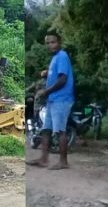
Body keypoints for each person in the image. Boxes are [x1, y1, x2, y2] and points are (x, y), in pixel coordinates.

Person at [26, 33, 75, 170]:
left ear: (59, 42)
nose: (50, 45)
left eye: (53, 42)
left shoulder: (63, 56)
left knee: (60, 130)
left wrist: (46, 91)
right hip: (52, 100)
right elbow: (56, 74)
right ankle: (43, 159)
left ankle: (63, 162)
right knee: (46, 130)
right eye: (47, 43)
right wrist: (48, 73)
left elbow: (62, 79)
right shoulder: (55, 58)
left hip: (62, 99)